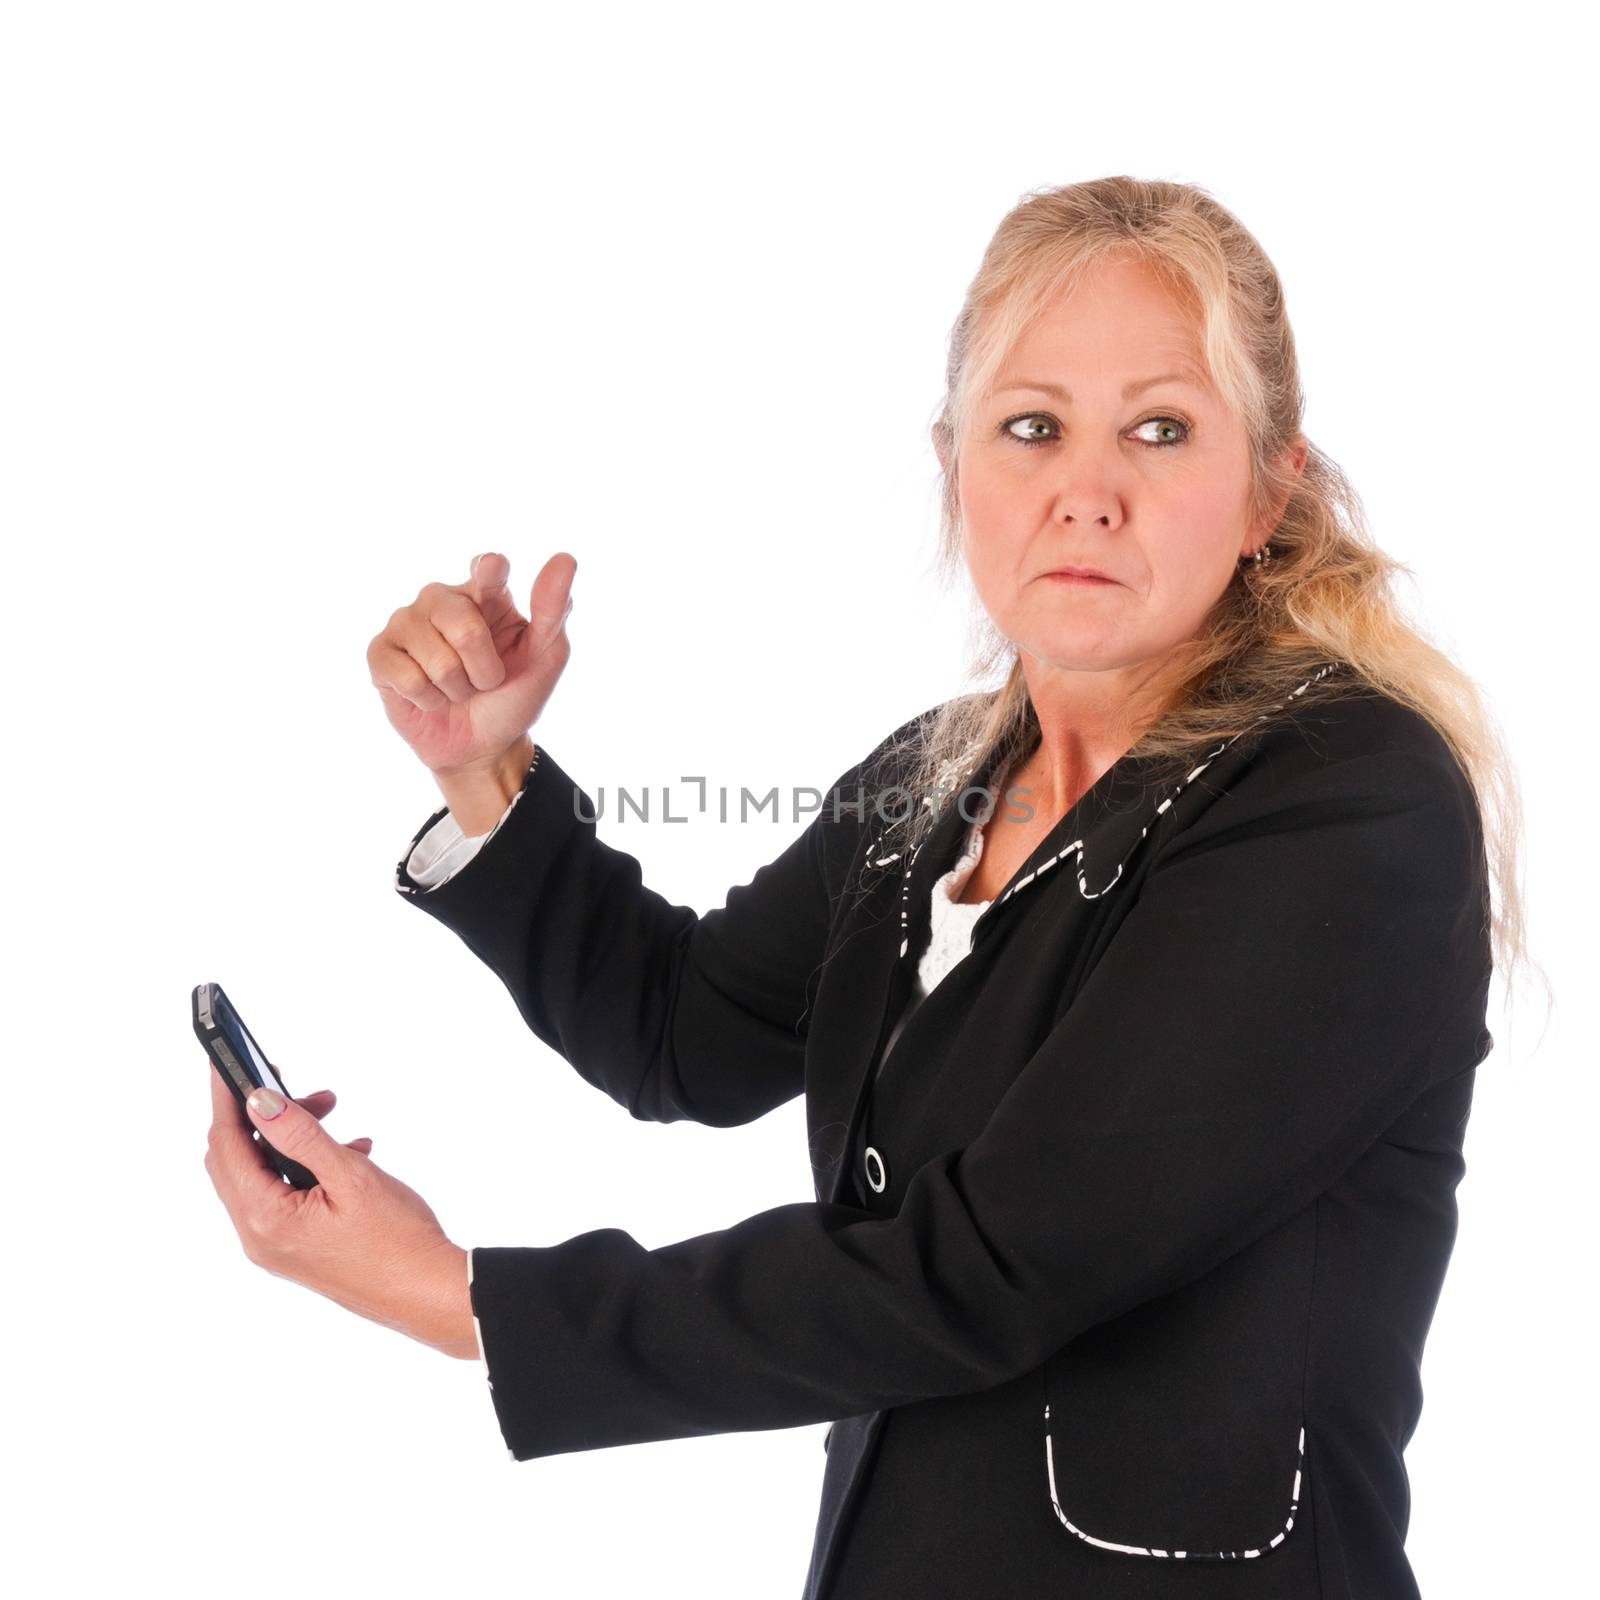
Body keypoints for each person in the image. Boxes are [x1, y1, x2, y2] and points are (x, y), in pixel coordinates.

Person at [204, 175, 1532, 1599]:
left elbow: (991, 1264)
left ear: (1271, 487)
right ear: (959, 467)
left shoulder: (1346, 798)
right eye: (1032, 427)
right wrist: (485, 769)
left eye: (1162, 427)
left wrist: (458, 1297)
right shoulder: (938, 779)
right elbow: (686, 1034)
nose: (1087, 488)